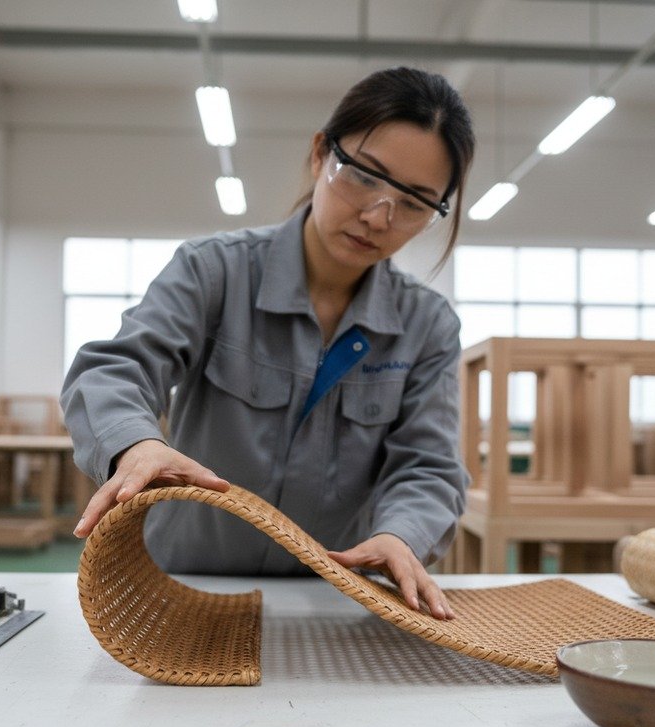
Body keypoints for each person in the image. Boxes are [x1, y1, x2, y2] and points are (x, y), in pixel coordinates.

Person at [61, 66, 475, 621]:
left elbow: (429, 465)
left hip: (331, 600)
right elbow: (114, 369)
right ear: (320, 154)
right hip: (183, 585)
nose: (379, 216)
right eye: (365, 176)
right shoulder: (214, 272)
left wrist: (403, 535)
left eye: (415, 202)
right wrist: (135, 445)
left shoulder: (427, 325)